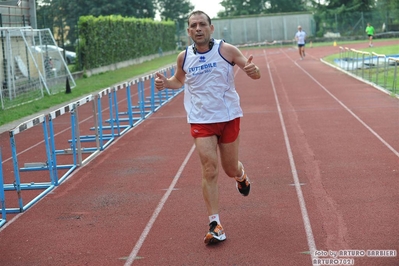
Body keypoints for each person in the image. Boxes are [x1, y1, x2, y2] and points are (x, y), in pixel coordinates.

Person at [155, 10, 261, 245]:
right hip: (201, 119)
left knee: (229, 168)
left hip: (229, 116)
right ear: (188, 31)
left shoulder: (226, 50)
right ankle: (215, 224)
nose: (198, 29)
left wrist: (254, 71)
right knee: (209, 169)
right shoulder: (183, 57)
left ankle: (241, 176)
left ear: (211, 28)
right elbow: (178, 80)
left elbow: (253, 71)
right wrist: (165, 84)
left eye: (203, 24)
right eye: (194, 25)